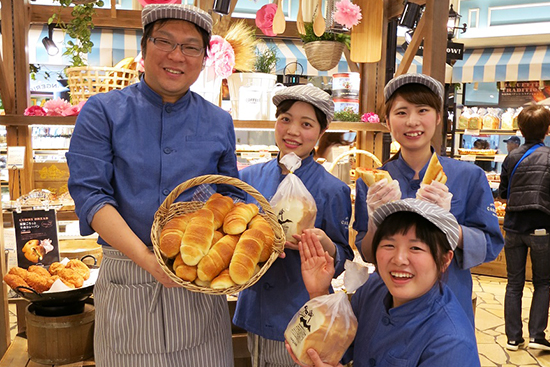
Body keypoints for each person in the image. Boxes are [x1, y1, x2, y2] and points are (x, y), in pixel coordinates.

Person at [66, 4, 239, 366]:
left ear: (204, 58)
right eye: (164, 41)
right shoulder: (102, 111)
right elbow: (91, 196)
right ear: (144, 48)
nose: (177, 55)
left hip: (197, 276)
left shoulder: (219, 121)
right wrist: (146, 259)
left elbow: (229, 195)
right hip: (127, 269)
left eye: (191, 47)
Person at [353, 73, 504, 324]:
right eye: (401, 112)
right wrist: (374, 220)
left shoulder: (469, 176)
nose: (412, 121)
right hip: (389, 306)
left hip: (449, 306)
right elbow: (368, 254)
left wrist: (449, 224)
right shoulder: (372, 182)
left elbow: (491, 245)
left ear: (437, 118)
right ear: (388, 123)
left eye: (422, 110)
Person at [233, 84, 355, 366]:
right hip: (254, 307)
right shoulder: (249, 178)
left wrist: (324, 244)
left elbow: (343, 256)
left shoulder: (331, 189)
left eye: (306, 124)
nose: (293, 131)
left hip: (300, 313)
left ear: (321, 133)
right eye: (285, 119)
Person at [288, 199, 480, 367]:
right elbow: (336, 347)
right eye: (389, 245)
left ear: (445, 260)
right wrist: (319, 291)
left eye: (415, 247)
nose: (399, 259)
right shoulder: (373, 288)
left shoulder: (452, 343)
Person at [498, 104, 550, 351]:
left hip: (513, 228)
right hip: (542, 229)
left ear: (519, 129)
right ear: (548, 130)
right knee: (543, 282)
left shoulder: (511, 156)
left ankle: (513, 338)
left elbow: (502, 193)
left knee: (514, 283)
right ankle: (536, 336)